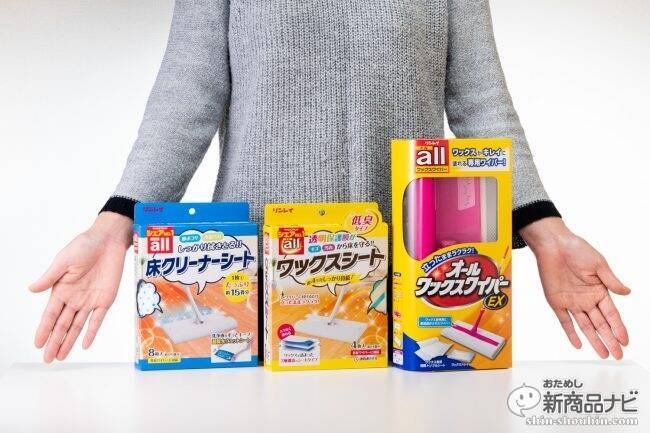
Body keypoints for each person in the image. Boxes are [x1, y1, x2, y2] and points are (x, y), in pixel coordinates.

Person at [29, 0, 630, 363]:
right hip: (264, 287)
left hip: (407, 293)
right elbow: (186, 92)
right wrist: (116, 223)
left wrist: (545, 229)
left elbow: (481, 100)